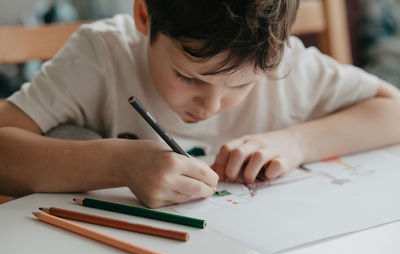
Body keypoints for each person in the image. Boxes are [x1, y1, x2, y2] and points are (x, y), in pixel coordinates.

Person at [1, 0, 400, 208]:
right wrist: (119, 163)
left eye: (241, 84)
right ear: (144, 15)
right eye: (189, 77)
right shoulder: (102, 55)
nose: (211, 104)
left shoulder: (283, 65)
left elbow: (392, 110)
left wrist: (295, 144)